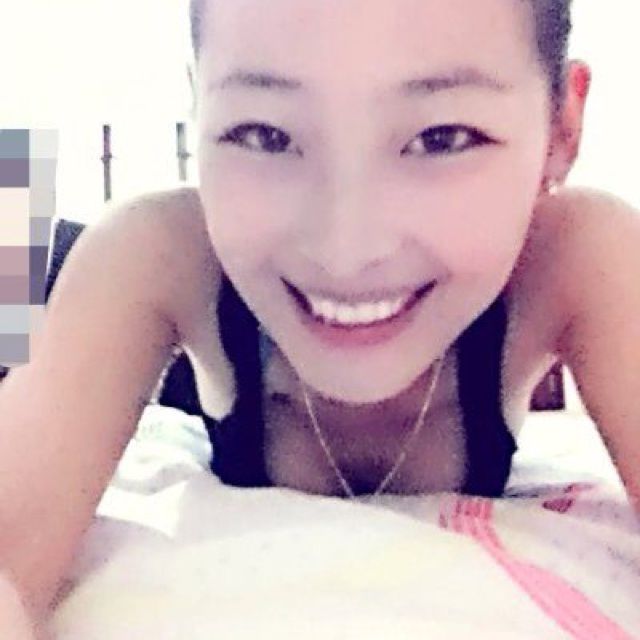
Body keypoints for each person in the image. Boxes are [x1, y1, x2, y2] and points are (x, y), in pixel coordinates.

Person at [0, 0, 639, 634]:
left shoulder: (575, 256)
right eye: (264, 135)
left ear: (563, 128)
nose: (346, 252)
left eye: (442, 138)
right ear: (198, 111)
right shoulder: (158, 250)